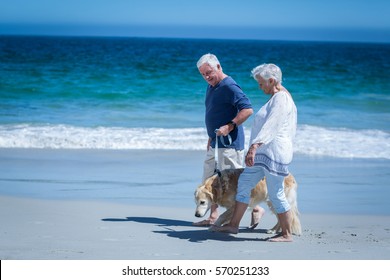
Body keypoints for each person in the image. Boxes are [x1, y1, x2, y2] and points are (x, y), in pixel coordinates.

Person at [211, 63, 298, 242]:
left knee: (276, 193)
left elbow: (271, 125)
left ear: (272, 80)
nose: (259, 87)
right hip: (263, 154)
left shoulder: (281, 99)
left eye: (261, 83)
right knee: (244, 183)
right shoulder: (278, 95)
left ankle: (286, 234)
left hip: (273, 154)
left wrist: (253, 147)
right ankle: (233, 225)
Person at [193, 53, 264, 227]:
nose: (207, 77)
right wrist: (211, 136)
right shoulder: (212, 85)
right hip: (215, 143)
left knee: (234, 185)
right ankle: (213, 216)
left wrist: (230, 126)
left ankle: (254, 208)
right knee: (209, 182)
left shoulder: (229, 85)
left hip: (230, 145)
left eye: (209, 72)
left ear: (218, 66)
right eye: (203, 74)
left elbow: (247, 109)